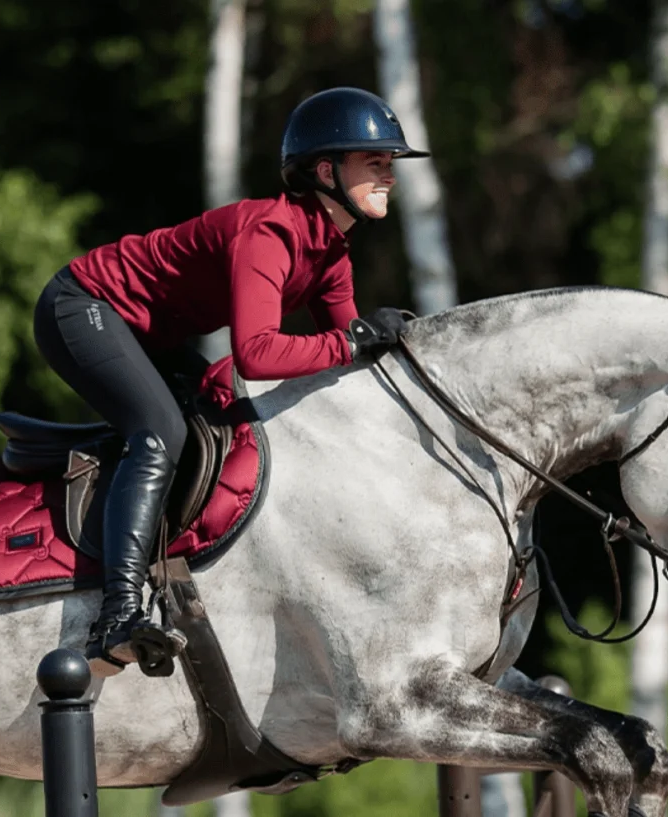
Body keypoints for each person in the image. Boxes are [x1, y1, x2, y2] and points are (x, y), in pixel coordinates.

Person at [32, 86, 431, 676]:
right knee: (160, 430)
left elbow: (345, 358)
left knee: (224, 426)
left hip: (149, 334)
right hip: (82, 305)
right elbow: (257, 353)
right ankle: (116, 617)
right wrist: (352, 340)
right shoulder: (269, 232)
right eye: (376, 162)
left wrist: (393, 348)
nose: (390, 176)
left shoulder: (331, 255)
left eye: (390, 164)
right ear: (326, 171)